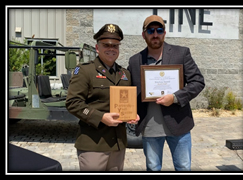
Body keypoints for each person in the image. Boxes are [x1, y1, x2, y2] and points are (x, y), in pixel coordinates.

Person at [127, 15, 205, 171]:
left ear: (164, 32)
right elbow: (130, 91)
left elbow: (198, 82)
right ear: (144, 34)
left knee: (183, 167)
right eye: (150, 30)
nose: (155, 34)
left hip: (178, 125)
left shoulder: (181, 53)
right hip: (149, 127)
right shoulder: (135, 61)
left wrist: (175, 98)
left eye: (159, 30)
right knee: (153, 168)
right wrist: (129, 112)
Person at [66, 23, 139, 171]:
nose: (111, 49)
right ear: (97, 47)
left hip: (118, 143)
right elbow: (73, 103)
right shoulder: (85, 71)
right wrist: (100, 117)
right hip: (94, 143)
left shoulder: (124, 74)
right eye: (106, 45)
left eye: (115, 45)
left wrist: (132, 114)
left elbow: (126, 102)